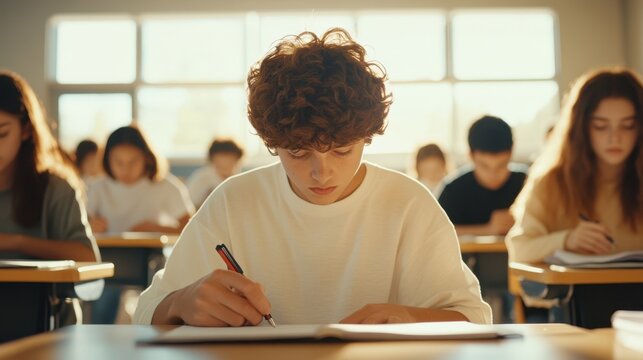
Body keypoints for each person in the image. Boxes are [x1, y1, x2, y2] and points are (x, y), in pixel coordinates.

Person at [134, 28, 491, 326]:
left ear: (367, 137)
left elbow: (475, 317)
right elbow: (147, 311)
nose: (322, 171)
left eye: (341, 151)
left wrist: (410, 317)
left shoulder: (408, 204)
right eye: (299, 153)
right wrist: (180, 303)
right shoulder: (235, 201)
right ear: (273, 144)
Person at [507, 68, 643, 263]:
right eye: (601, 126)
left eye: (627, 125)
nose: (615, 137)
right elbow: (519, 250)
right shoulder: (551, 183)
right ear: (581, 129)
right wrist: (566, 240)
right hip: (577, 293)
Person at [0, 70, 99, 262]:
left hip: (34, 293)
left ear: (26, 130)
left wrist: (16, 242)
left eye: (1, 135)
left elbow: (87, 257)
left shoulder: (56, 189)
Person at [86, 125, 195, 234]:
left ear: (146, 158)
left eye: (133, 161)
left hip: (152, 250)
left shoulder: (164, 186)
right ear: (107, 159)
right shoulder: (96, 187)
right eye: (118, 162)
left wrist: (155, 229)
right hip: (105, 250)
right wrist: (89, 226)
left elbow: (192, 229)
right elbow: (79, 226)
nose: (126, 169)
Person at [438, 115, 527, 236]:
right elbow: (437, 234)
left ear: (511, 153)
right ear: (470, 155)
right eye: (484, 166)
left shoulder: (528, 185)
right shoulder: (453, 190)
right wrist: (488, 230)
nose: (493, 174)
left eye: (501, 165)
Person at [187, 138, 244, 207]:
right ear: (212, 160)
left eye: (229, 163)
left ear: (237, 161)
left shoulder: (242, 180)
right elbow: (189, 206)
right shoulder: (201, 178)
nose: (225, 166)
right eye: (220, 164)